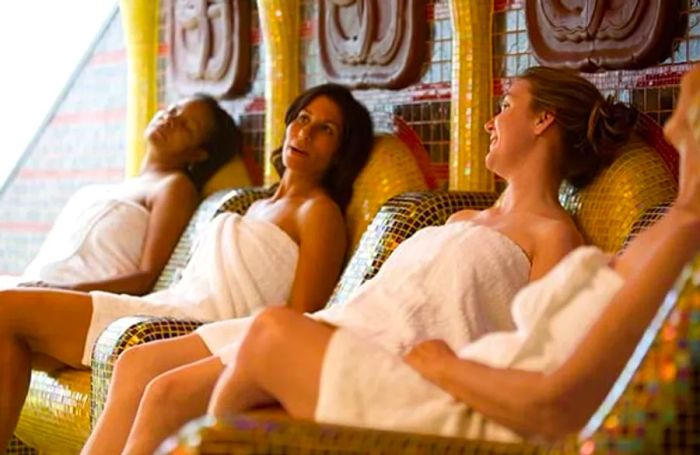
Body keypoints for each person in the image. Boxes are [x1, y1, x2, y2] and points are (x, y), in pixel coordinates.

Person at [82, 67, 638, 455]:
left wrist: (444, 372)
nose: (492, 120)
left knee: (173, 398)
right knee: (147, 375)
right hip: (341, 326)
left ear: (543, 121)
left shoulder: (554, 239)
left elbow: (525, 355)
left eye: (506, 105)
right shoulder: (459, 219)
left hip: (385, 360)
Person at [198, 65, 700, 443]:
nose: (681, 108)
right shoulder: (669, 229)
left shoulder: (677, 239)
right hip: (446, 375)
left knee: (271, 335)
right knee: (257, 421)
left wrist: (443, 366)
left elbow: (554, 408)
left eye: (694, 97)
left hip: (460, 405)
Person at [0, 83, 375, 451]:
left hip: (198, 323)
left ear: (341, 152)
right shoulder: (257, 204)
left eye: (325, 130)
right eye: (303, 118)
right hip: (169, 306)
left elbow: (301, 317)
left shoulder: (319, 213)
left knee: (7, 310)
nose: (306, 133)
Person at [0, 93, 240, 295]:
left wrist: (65, 290)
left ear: (198, 155)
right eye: (173, 110)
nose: (170, 120)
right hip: (34, 288)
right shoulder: (123, 186)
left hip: (71, 300)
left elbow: (147, 278)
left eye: (186, 126)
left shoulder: (174, 187)